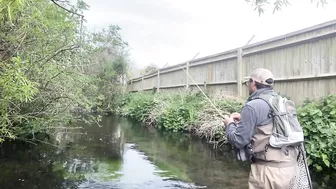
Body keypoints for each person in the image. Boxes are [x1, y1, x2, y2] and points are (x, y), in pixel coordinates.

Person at [223, 68, 299, 189]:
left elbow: (238, 140)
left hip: (268, 174)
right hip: (292, 171)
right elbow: (271, 124)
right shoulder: (282, 102)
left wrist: (229, 124)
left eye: (248, 83)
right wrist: (244, 118)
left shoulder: (252, 106)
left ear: (253, 82)